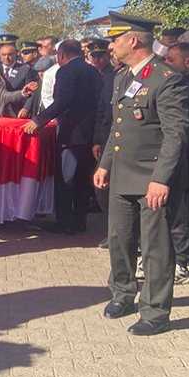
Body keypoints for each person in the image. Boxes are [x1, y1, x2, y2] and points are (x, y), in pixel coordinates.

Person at [93, 12, 189, 336]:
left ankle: (155, 311)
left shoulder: (166, 78)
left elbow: (176, 134)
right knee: (120, 240)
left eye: (115, 39)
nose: (111, 45)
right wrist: (105, 163)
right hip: (123, 175)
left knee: (155, 247)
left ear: (132, 40)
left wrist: (161, 178)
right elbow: (118, 128)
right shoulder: (122, 77)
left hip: (151, 178)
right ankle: (122, 293)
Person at [24, 40, 101, 234]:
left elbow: (63, 101)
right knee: (83, 180)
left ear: (62, 55)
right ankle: (79, 220)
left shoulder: (65, 71)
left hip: (71, 134)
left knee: (66, 179)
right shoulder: (93, 71)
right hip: (89, 134)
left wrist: (39, 120)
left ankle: (64, 222)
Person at [89, 39, 118, 249]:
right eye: (94, 56)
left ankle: (117, 232)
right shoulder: (97, 76)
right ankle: (112, 230)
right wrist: (97, 139)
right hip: (105, 138)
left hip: (119, 138)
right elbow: (100, 111)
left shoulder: (114, 75)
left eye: (102, 56)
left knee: (113, 189)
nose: (98, 60)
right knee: (103, 189)